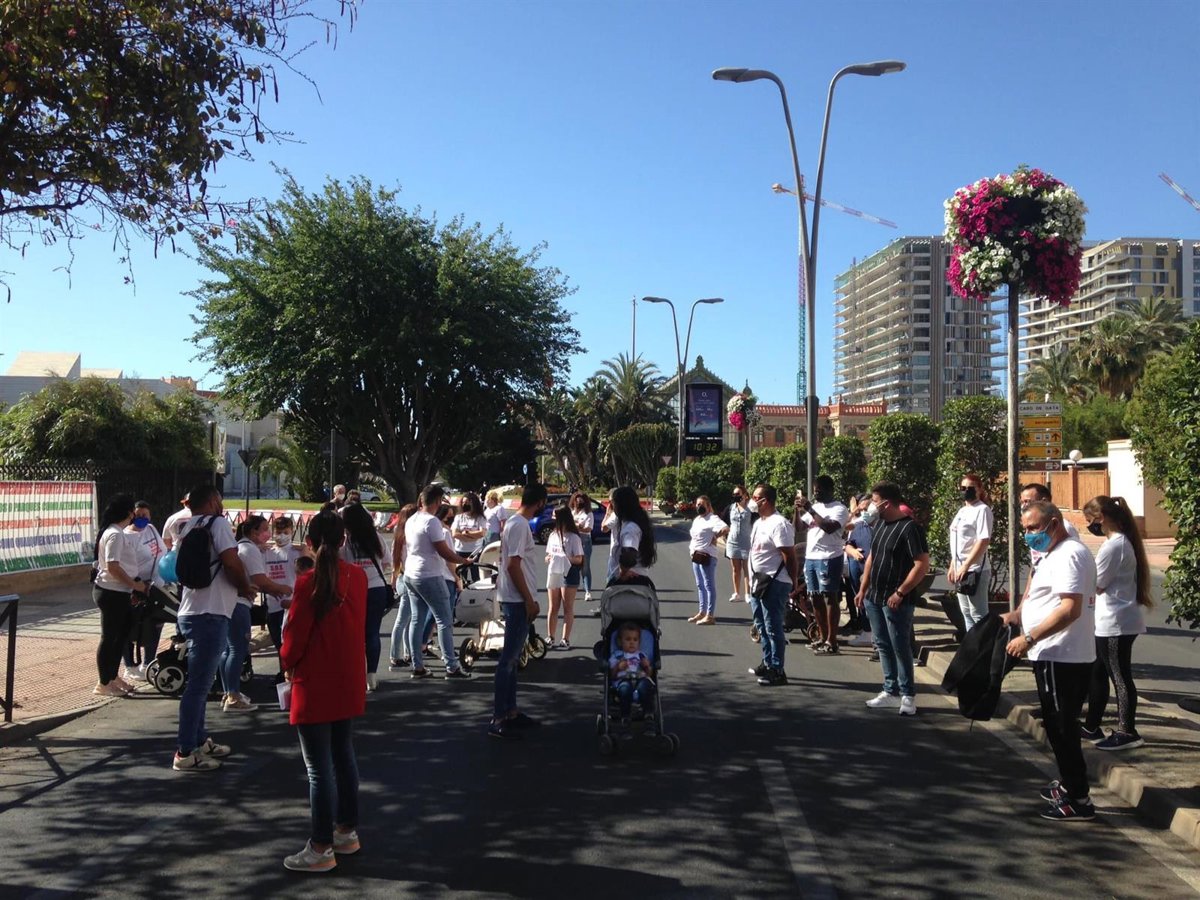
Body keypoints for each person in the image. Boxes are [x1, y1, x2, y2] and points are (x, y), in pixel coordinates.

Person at [279, 509, 367, 872]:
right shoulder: (357, 576)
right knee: (343, 756)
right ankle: (346, 830)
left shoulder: (308, 583)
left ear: (310, 543)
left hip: (315, 679)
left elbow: (294, 638)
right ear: (344, 540)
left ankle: (320, 846)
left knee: (318, 769)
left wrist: (286, 662)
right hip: (347, 676)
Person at [1001, 500, 1098, 821]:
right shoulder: (1054, 553)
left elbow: (1070, 609)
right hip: (1053, 654)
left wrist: (1030, 638)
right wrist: (1018, 615)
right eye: (1025, 529)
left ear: (1055, 523)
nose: (1029, 535)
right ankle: (1070, 785)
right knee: (1057, 727)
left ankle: (1079, 798)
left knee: (1062, 728)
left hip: (1063, 655)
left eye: (1034, 528)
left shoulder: (1070, 555)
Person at [173, 483, 254, 772]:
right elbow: (231, 563)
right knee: (198, 687)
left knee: (201, 684)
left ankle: (199, 740)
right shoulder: (217, 525)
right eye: (219, 500)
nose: (222, 505)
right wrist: (245, 588)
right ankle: (185, 752)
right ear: (210, 502)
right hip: (210, 613)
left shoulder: (186, 526)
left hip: (193, 610)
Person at [1081, 495, 1152, 751]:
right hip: (1110, 621)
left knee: (1120, 677)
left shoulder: (1115, 546)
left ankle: (1127, 731)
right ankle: (1091, 726)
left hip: (1115, 622)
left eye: (1089, 520)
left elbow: (1097, 583)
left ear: (1101, 518)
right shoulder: (1118, 542)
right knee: (1098, 672)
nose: (1089, 525)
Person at [854, 482, 930, 716]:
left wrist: (901, 592)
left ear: (886, 503)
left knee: (900, 646)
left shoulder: (910, 528)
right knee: (883, 645)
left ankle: (907, 695)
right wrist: (863, 589)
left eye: (875, 502)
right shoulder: (879, 525)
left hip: (896, 599)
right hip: (874, 597)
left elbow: (921, 565)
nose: (870, 507)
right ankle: (890, 690)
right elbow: (872, 558)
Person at [490, 483, 547, 739]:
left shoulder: (516, 524)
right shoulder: (520, 525)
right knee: (508, 660)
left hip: (516, 598)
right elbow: (513, 565)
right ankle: (498, 717)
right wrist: (528, 599)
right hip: (516, 600)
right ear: (540, 502)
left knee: (513, 659)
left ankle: (510, 711)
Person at [403, 485, 472, 679]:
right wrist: (463, 561)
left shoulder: (412, 519)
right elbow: (444, 551)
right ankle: (452, 666)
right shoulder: (431, 521)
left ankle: (417, 665)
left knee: (416, 620)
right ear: (436, 501)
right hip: (429, 575)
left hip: (411, 573)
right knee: (444, 621)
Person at [226, 516, 291, 712]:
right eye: (265, 529)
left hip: (231, 603)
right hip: (239, 605)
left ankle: (229, 691)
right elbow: (260, 580)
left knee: (229, 650)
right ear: (254, 532)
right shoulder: (250, 549)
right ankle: (232, 695)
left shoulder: (242, 547)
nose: (268, 534)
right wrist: (280, 588)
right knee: (237, 650)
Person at [746, 483, 798, 687]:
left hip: (775, 582)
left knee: (773, 626)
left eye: (755, 497)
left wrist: (793, 580)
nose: (751, 500)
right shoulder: (759, 522)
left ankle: (777, 670)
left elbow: (789, 556)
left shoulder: (780, 524)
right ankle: (767, 662)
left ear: (765, 500)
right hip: (758, 582)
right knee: (760, 624)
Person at [92, 493, 142, 697]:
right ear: (129, 513)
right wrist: (134, 585)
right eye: (134, 512)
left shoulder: (117, 532)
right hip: (111, 592)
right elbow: (113, 567)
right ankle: (103, 682)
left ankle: (112, 677)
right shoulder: (115, 534)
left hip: (120, 592)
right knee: (110, 638)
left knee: (119, 637)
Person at [340, 502, 393, 692]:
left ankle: (355, 673)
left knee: (353, 634)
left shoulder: (345, 541)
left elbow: (340, 563)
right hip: (376, 588)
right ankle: (372, 675)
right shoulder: (376, 537)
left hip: (353, 589)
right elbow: (387, 562)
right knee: (372, 633)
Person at [800, 475, 850, 654]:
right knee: (815, 597)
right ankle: (822, 637)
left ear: (830, 490)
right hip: (811, 557)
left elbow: (829, 527)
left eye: (819, 490)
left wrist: (810, 509)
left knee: (829, 597)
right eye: (814, 491)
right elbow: (799, 527)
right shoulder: (816, 507)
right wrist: (797, 510)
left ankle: (832, 641)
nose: (816, 494)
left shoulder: (839, 508)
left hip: (829, 557)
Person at [121, 500, 167, 682]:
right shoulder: (126, 536)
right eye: (138, 515)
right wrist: (137, 586)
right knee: (130, 627)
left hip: (157, 586)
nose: (142, 518)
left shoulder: (152, 529)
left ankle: (148, 663)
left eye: (145, 515)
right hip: (136, 588)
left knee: (155, 623)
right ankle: (130, 666)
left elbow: (162, 552)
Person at [948, 473, 993, 632]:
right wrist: (953, 565)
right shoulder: (962, 511)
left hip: (975, 569)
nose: (966, 491)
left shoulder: (982, 510)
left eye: (971, 488)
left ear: (979, 489)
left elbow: (983, 540)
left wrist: (966, 565)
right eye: (963, 488)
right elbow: (958, 541)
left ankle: (984, 645)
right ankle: (972, 644)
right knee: (966, 613)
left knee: (978, 614)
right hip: (960, 569)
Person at [263, 515, 302, 683]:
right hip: (273, 604)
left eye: (285, 532)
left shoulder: (296, 552)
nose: (282, 536)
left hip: (292, 604)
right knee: (278, 643)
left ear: (291, 532)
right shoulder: (266, 552)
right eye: (278, 532)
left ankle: (292, 673)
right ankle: (283, 672)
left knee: (291, 642)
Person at [545, 506, 585, 649]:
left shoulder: (573, 538)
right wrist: (549, 558)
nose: (552, 519)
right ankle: (550, 637)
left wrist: (564, 558)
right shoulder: (552, 536)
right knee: (553, 606)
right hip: (554, 572)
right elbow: (548, 554)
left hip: (569, 573)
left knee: (567, 607)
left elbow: (579, 559)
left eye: (555, 516)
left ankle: (565, 639)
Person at [687, 495, 727, 624]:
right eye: (697, 504)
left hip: (707, 556)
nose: (699, 506)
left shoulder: (713, 518)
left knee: (708, 585)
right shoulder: (697, 519)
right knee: (700, 585)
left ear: (708, 506)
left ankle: (710, 615)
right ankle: (702, 612)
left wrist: (716, 537)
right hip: (695, 555)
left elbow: (726, 528)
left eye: (702, 504)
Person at [604, 486, 657, 584]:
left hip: (629, 581)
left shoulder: (630, 528)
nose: (612, 507)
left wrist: (623, 572)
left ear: (621, 505)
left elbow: (629, 554)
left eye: (614, 503)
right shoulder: (634, 523)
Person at [388, 503, 419, 670]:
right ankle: (395, 655)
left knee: (407, 619)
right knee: (404, 620)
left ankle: (407, 652)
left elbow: (396, 562)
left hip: (401, 577)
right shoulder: (411, 537)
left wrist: (393, 580)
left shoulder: (398, 536)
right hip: (410, 578)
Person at [844, 496, 876, 648]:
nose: (863, 513)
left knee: (872, 602)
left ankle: (875, 634)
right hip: (856, 567)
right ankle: (867, 631)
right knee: (860, 599)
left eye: (866, 509)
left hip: (872, 571)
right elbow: (848, 543)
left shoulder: (880, 526)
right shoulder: (858, 525)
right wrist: (852, 551)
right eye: (861, 510)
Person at [609, 622, 655, 722]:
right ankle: (625, 716)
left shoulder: (641, 655)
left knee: (645, 687)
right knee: (625, 690)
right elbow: (612, 675)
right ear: (620, 641)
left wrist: (647, 667)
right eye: (628, 639)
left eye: (635, 640)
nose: (632, 642)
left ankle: (648, 714)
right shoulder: (617, 655)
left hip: (640, 678)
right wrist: (618, 667)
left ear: (639, 642)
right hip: (623, 680)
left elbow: (649, 674)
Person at [724, 484, 753, 603]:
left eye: (738, 494)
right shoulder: (731, 508)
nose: (736, 496)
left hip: (747, 542)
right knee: (736, 569)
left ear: (745, 495)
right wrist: (725, 533)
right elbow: (722, 520)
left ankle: (747, 593)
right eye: (734, 494)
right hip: (733, 542)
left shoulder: (751, 508)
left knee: (747, 569)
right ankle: (736, 593)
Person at [569, 492, 596, 602]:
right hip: (572, 540)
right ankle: (573, 590)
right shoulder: (571, 513)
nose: (579, 502)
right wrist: (577, 526)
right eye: (577, 500)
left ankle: (587, 591)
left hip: (585, 540)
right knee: (572, 566)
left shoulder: (588, 514)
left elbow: (588, 529)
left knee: (585, 567)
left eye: (581, 500)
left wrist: (576, 526)